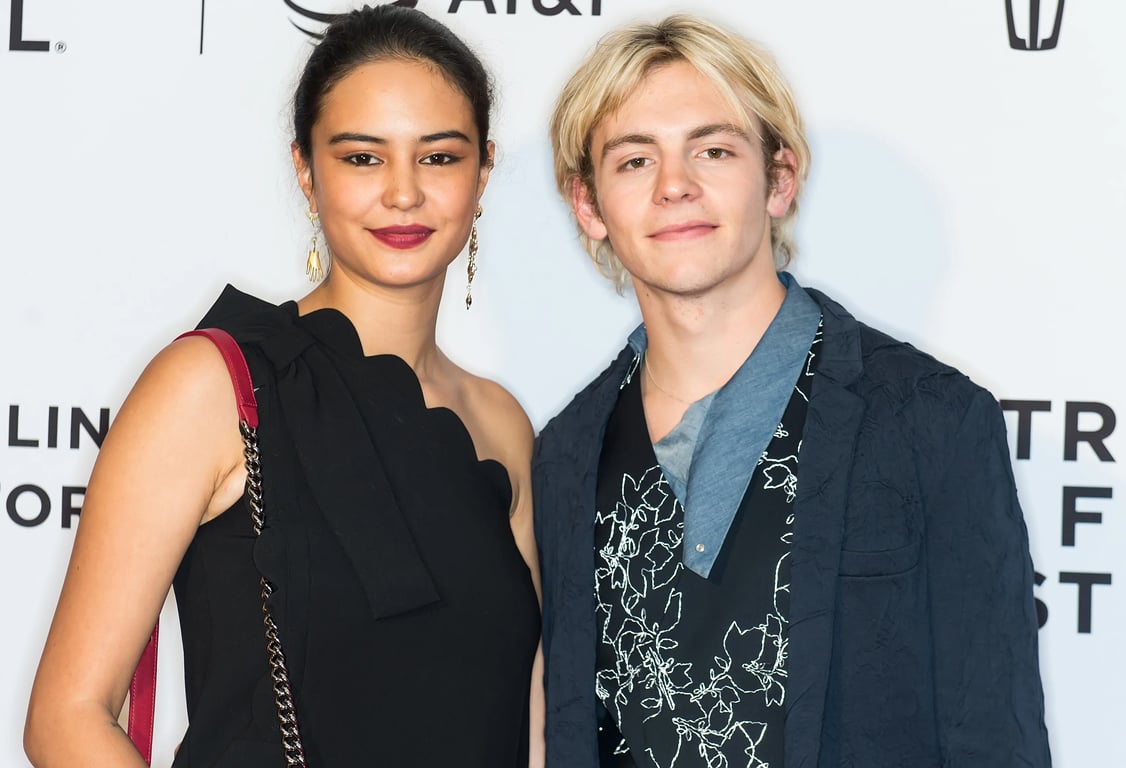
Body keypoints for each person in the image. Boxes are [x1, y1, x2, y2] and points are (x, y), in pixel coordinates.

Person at [25, 6, 543, 766]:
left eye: (438, 157)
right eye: (362, 158)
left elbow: (526, 721)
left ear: (483, 171)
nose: (403, 193)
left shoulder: (502, 426)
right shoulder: (211, 383)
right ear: (306, 170)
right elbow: (68, 717)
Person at [535, 14, 1051, 768]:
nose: (676, 185)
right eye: (635, 160)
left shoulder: (930, 420)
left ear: (779, 179)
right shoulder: (565, 454)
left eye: (713, 150)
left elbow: (994, 738)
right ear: (590, 206)